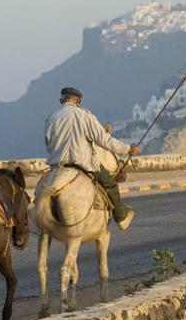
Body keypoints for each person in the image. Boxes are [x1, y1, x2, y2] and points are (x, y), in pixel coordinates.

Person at [44, 86, 140, 230]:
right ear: (78, 100)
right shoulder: (85, 116)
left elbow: (48, 143)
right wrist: (128, 149)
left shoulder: (52, 118)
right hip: (83, 164)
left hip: (58, 167)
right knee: (110, 183)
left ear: (62, 100)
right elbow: (104, 140)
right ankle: (122, 218)